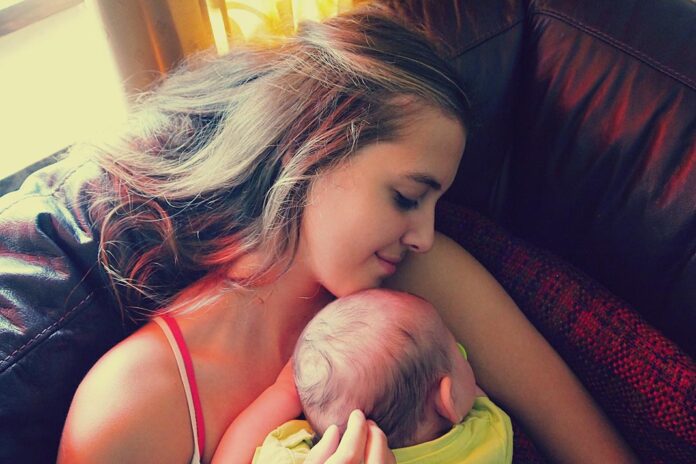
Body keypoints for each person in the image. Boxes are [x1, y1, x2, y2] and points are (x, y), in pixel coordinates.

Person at [57, 5, 636, 463]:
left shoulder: (421, 284)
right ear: (312, 147)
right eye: (406, 197)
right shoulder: (135, 404)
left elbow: (593, 449)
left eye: (435, 204)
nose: (424, 236)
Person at [214, 288, 513, 464]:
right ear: (448, 398)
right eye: (457, 349)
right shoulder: (489, 437)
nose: (463, 352)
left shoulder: (292, 455)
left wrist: (284, 393)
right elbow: (472, 395)